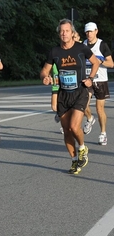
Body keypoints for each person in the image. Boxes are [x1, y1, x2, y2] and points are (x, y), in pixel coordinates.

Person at [40, 19, 100, 174]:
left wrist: (90, 79)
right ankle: (74, 161)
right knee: (66, 130)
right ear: (59, 33)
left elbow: (95, 63)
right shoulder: (54, 52)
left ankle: (82, 147)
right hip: (63, 95)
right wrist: (45, 77)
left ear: (73, 33)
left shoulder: (81, 48)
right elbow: (44, 71)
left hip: (80, 92)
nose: (64, 33)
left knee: (74, 127)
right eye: (62, 31)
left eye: (67, 31)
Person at [81, 22, 113, 145]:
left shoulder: (102, 45)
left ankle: (103, 133)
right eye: (87, 32)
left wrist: (100, 61)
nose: (89, 34)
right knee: (82, 105)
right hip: (87, 80)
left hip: (100, 80)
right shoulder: (82, 45)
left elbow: (111, 64)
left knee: (100, 109)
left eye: (91, 31)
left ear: (96, 31)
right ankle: (89, 118)